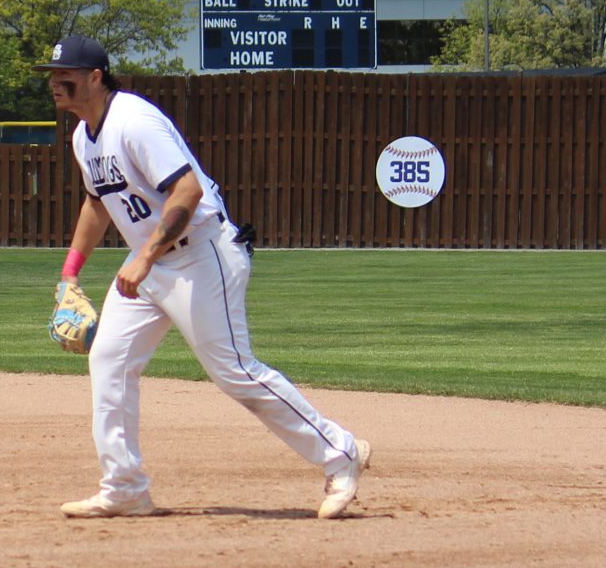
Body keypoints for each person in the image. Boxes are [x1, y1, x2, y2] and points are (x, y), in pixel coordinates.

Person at [46, 35, 369, 520]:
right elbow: (98, 202)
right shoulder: (82, 137)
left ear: (95, 77)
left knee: (235, 373)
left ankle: (341, 453)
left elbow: (187, 190)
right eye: (51, 75)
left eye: (65, 74)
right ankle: (125, 487)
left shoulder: (134, 121)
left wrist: (146, 256)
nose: (55, 82)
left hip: (201, 254)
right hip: (149, 264)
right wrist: (70, 274)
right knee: (109, 362)